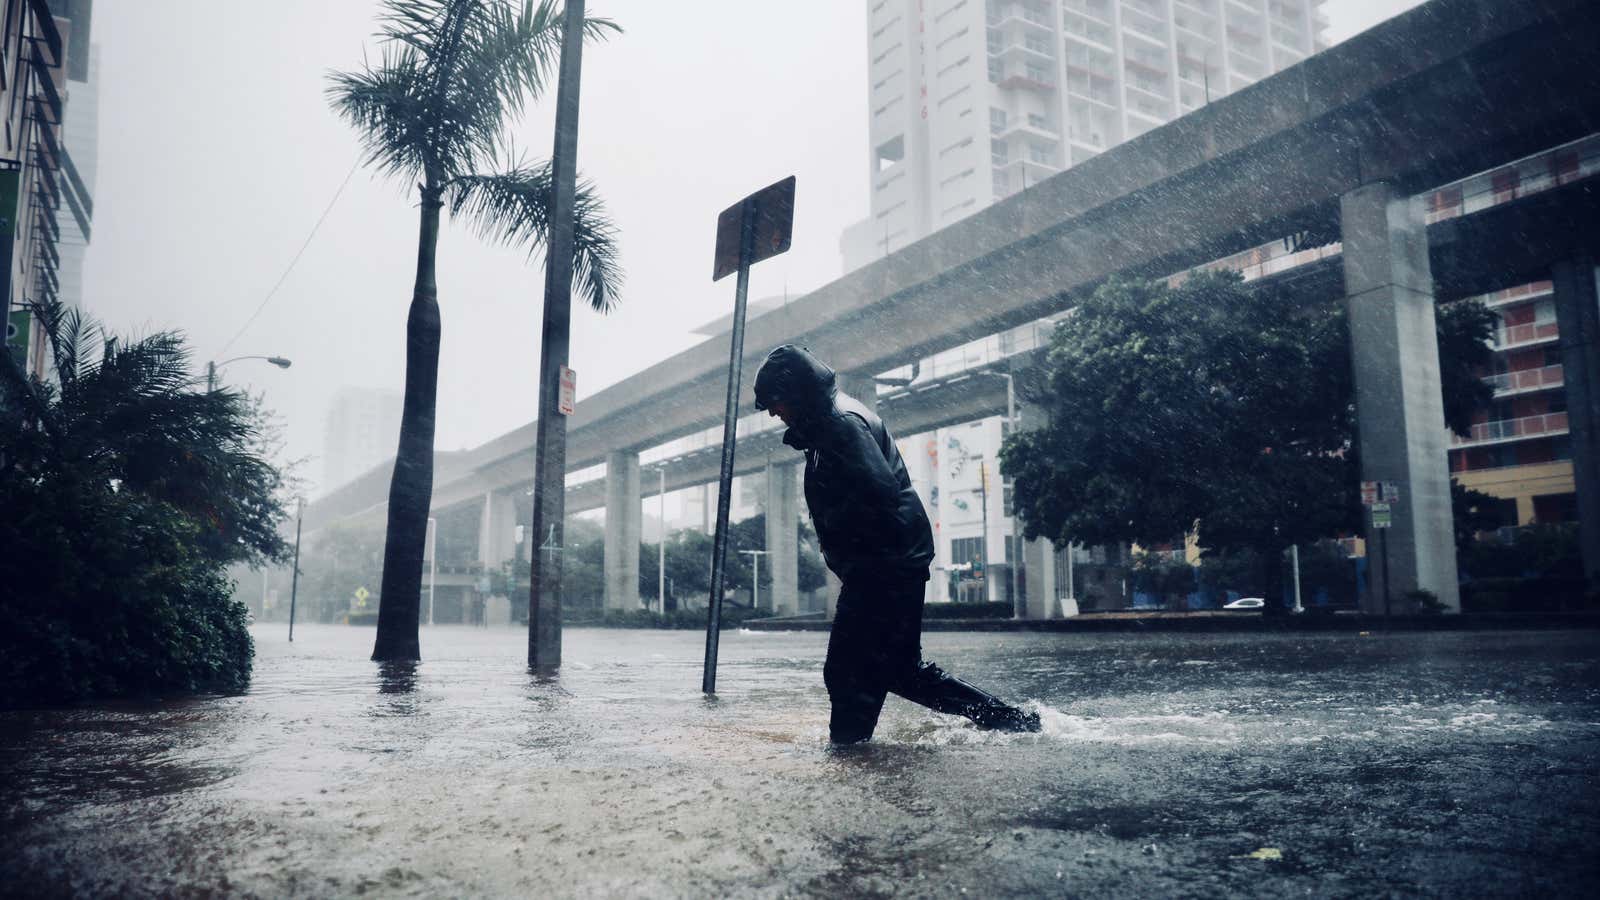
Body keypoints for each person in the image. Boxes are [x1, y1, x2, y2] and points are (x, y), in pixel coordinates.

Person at [753, 344, 1041, 743]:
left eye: (775, 401)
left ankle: (849, 755)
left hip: (883, 566)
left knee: (847, 670)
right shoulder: (828, 421)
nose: (771, 412)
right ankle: (1012, 721)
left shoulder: (839, 424)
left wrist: (858, 561)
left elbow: (879, 492)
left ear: (797, 391)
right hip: (892, 561)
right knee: (899, 671)